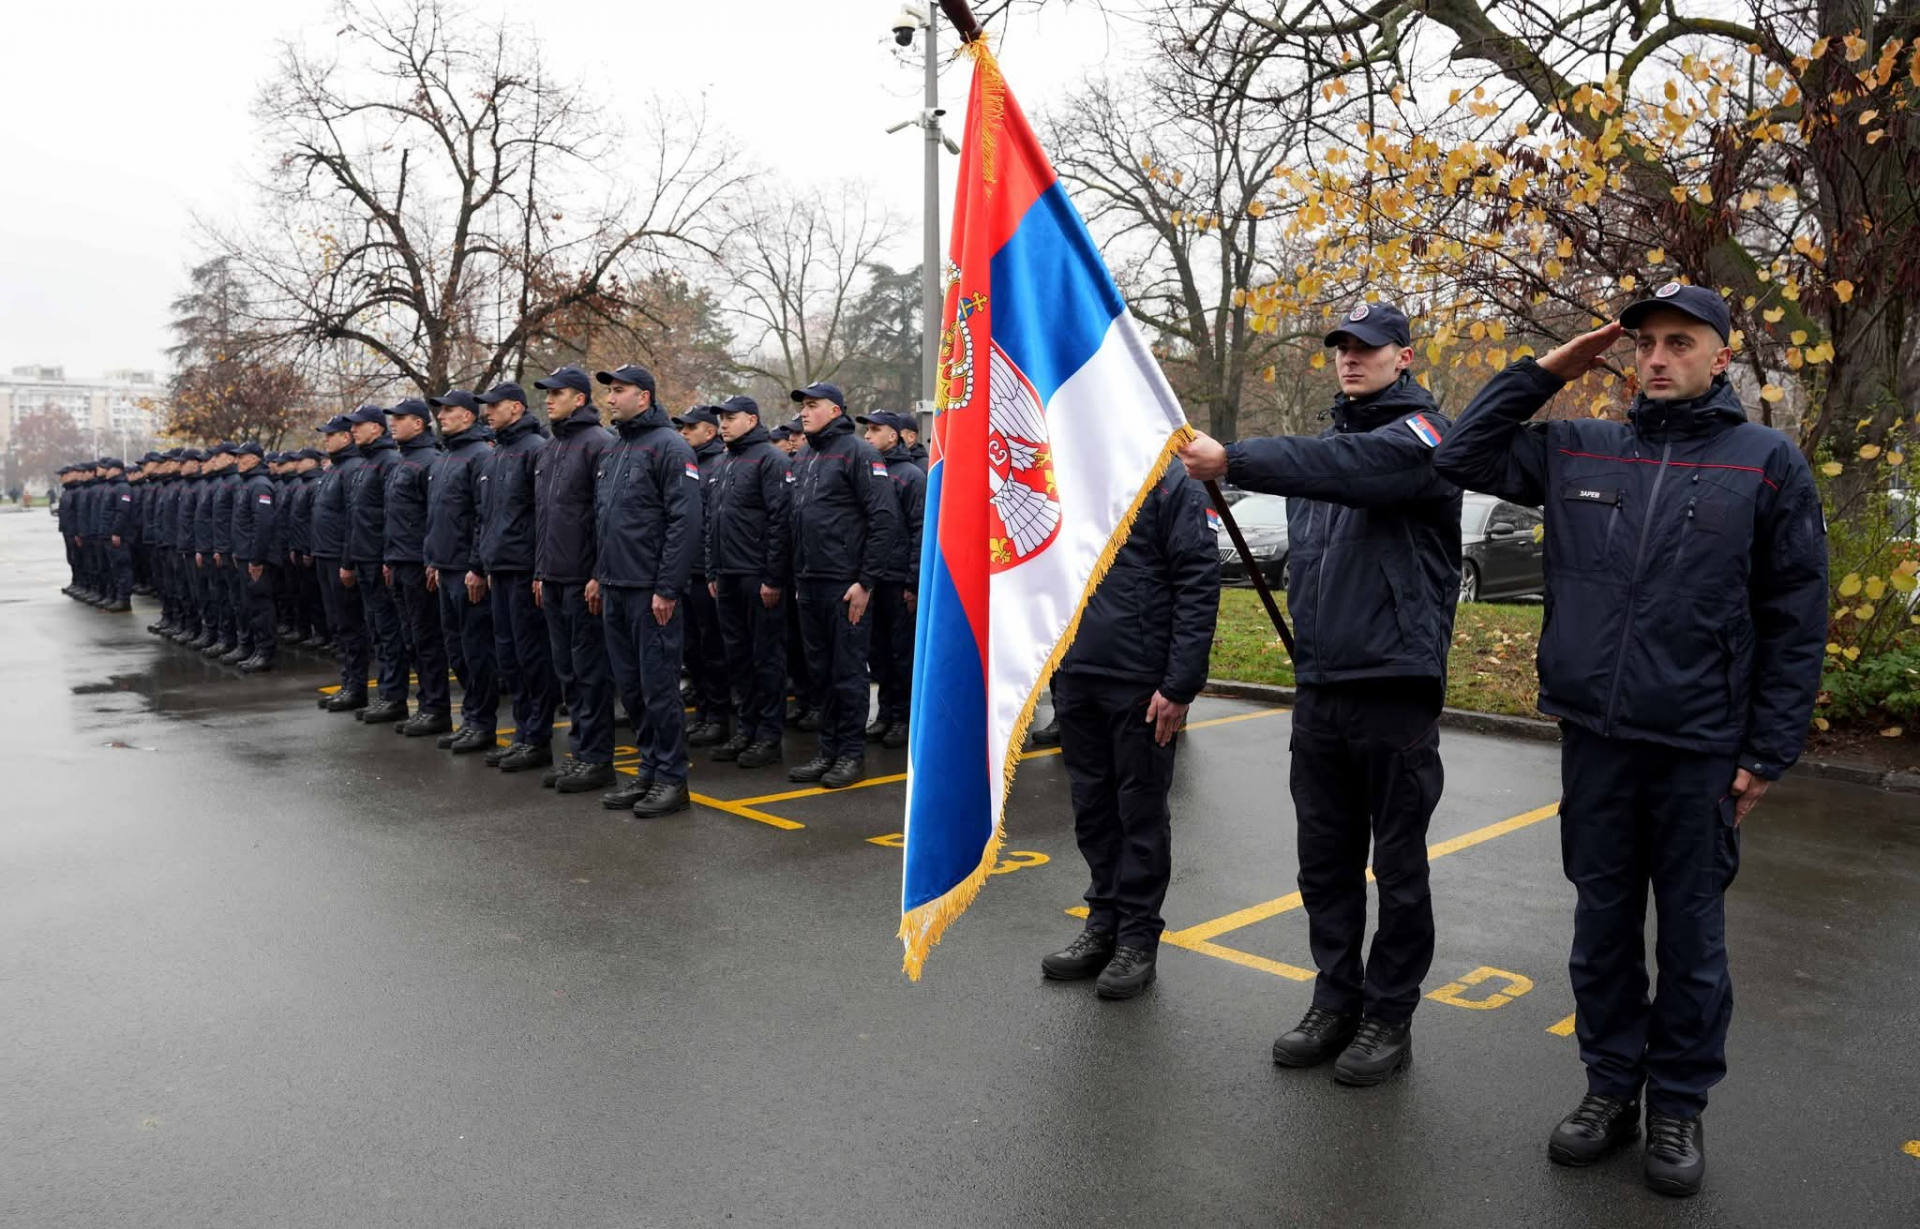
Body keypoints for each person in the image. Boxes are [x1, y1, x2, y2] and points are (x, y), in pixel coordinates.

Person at [1432, 284, 1828, 1197]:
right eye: (1645, 343)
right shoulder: (1579, 446)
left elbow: (1794, 617)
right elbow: (1461, 453)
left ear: (1720, 356)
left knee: (1691, 937)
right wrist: (1545, 371)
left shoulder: (1765, 463)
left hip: (1698, 747)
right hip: (1598, 741)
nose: (1656, 357)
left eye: (1679, 343)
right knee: (1601, 927)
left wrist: (1766, 749)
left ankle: (1678, 1104)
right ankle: (1609, 1088)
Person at [1180, 300, 1462, 1087]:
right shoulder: (1327, 447)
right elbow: (1323, 481)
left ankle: (1389, 1014)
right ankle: (1335, 998)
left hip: (1395, 688)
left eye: (1368, 347)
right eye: (1341, 346)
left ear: (1404, 357)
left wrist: (1233, 457)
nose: (1351, 358)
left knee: (1398, 868)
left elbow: (1355, 471)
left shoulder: (1427, 437)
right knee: (1325, 862)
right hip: (1323, 685)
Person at [1039, 462, 1220, 1000]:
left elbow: (1198, 583)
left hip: (1141, 682)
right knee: (1092, 808)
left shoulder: (1171, 484)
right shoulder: (1068, 477)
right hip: (1077, 673)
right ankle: (1103, 924)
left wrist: (1181, 683)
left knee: (1138, 812)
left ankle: (1138, 938)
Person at [593, 364, 702, 817]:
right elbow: (606, 520)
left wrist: (667, 588)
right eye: (609, 391)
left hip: (650, 592)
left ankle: (673, 780)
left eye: (620, 390)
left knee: (659, 689)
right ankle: (649, 770)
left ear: (645, 396)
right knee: (632, 690)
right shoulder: (616, 449)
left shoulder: (670, 447)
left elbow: (685, 521)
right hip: (616, 586)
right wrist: (599, 573)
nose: (611, 398)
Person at [785, 382, 899, 788]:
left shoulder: (859, 453)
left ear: (835, 411)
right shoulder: (802, 457)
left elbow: (884, 520)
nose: (804, 413)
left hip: (844, 585)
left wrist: (865, 581)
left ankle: (850, 754)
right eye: (803, 407)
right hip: (809, 583)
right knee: (820, 673)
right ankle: (828, 750)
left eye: (812, 406)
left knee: (848, 672)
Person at [530, 365, 615, 791]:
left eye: (557, 393)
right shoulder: (550, 449)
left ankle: (597, 758)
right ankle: (581, 752)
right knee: (567, 670)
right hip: (554, 577)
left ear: (579, 398)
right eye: (547, 393)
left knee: (589, 671)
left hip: (585, 580)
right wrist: (540, 570)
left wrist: (599, 573)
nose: (549, 399)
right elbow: (545, 518)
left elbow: (605, 517)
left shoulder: (599, 445)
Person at [472, 380, 557, 771]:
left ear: (517, 408)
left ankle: (537, 738)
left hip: (525, 570)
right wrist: (484, 564)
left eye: (495, 404)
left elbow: (545, 517)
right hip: (500, 569)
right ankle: (522, 733)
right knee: (509, 656)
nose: (488, 411)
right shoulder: (495, 455)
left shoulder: (535, 451)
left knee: (531, 655)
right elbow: (484, 517)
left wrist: (540, 569)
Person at [704, 394, 791, 770]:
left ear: (752, 420)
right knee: (737, 657)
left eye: (730, 417)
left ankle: (769, 736)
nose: (723, 423)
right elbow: (712, 521)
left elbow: (779, 521)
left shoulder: (770, 459)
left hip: (758, 578)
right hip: (727, 575)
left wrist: (772, 577)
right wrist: (712, 569)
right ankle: (747, 727)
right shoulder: (724, 462)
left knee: (766, 658)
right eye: (720, 418)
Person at [424, 390, 498, 754]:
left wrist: (476, 566)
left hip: (468, 572)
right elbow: (436, 516)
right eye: (440, 411)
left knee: (476, 650)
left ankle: (482, 722)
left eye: (450, 410)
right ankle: (470, 717)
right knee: (457, 650)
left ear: (468, 416)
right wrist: (434, 560)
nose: (442, 416)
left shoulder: (480, 456)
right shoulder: (444, 458)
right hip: (446, 568)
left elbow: (482, 516)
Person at [374, 399, 451, 737]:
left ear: (418, 424)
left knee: (427, 638)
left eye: (401, 418)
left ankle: (436, 708)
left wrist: (429, 560)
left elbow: (433, 519)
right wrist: (390, 558)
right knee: (411, 640)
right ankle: (426, 704)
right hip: (400, 562)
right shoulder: (402, 462)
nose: (394, 423)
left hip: (419, 565)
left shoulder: (427, 462)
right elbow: (394, 519)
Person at [855, 409, 925, 749]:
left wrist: (912, 583)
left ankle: (903, 718)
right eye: (866, 430)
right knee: (878, 653)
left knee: (901, 655)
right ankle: (884, 714)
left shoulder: (911, 476)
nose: (867, 436)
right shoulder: (869, 472)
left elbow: (919, 531)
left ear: (893, 436)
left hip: (898, 581)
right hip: (874, 579)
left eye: (875, 429)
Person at [674, 404, 732, 748]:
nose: (683, 433)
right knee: (692, 649)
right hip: (685, 571)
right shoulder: (688, 463)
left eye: (690, 428)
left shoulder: (718, 465)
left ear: (708, 432)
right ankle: (703, 711)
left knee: (713, 648)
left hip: (705, 572)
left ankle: (718, 716)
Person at [311, 415, 369, 713]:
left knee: (349, 624)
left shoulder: (352, 469)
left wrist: (347, 561)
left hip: (339, 558)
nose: (325, 439)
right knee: (337, 624)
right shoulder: (335, 469)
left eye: (330, 435)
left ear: (345, 437)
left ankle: (357, 687)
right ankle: (348, 681)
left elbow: (352, 520)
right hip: (325, 555)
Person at [228, 442, 279, 674]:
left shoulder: (260, 486)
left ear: (256, 459)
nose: (238, 461)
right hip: (245, 555)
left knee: (261, 607)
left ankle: (265, 653)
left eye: (243, 457)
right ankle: (258, 650)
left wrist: (256, 560)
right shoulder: (247, 484)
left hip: (256, 559)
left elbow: (263, 526)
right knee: (251, 606)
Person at [285, 449, 329, 650]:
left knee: (317, 596)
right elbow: (296, 520)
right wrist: (295, 547)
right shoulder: (301, 484)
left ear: (313, 462)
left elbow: (314, 521)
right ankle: (317, 632)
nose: (297, 464)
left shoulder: (315, 484)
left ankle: (325, 634)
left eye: (300, 460)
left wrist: (309, 550)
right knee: (305, 594)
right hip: (300, 548)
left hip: (311, 549)